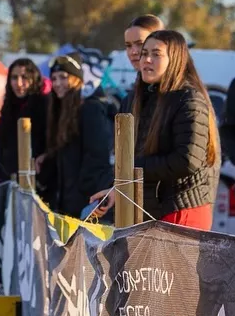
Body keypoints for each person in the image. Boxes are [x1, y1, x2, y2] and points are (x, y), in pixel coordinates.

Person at [92, 30, 219, 229]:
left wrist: (130, 169)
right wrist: (114, 189)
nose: (146, 60)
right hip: (149, 213)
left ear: (175, 59)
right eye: (144, 53)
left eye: (156, 54)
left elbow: (186, 161)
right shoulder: (138, 99)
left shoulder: (188, 99)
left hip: (180, 212)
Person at [36, 52, 113, 218]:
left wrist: (86, 198)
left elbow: (97, 157)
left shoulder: (90, 109)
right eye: (54, 78)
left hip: (87, 203)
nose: (57, 83)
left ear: (77, 79)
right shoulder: (61, 112)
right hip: (66, 204)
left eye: (63, 77)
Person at [0, 58, 48, 183]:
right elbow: (1, 145)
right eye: (14, 77)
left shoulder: (44, 104)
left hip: (36, 180)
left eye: (24, 77)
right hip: (8, 179)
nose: (19, 83)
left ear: (33, 79)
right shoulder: (8, 107)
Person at [118, 15, 165, 114]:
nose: (133, 52)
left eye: (140, 44)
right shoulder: (129, 100)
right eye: (128, 46)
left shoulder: (182, 98)